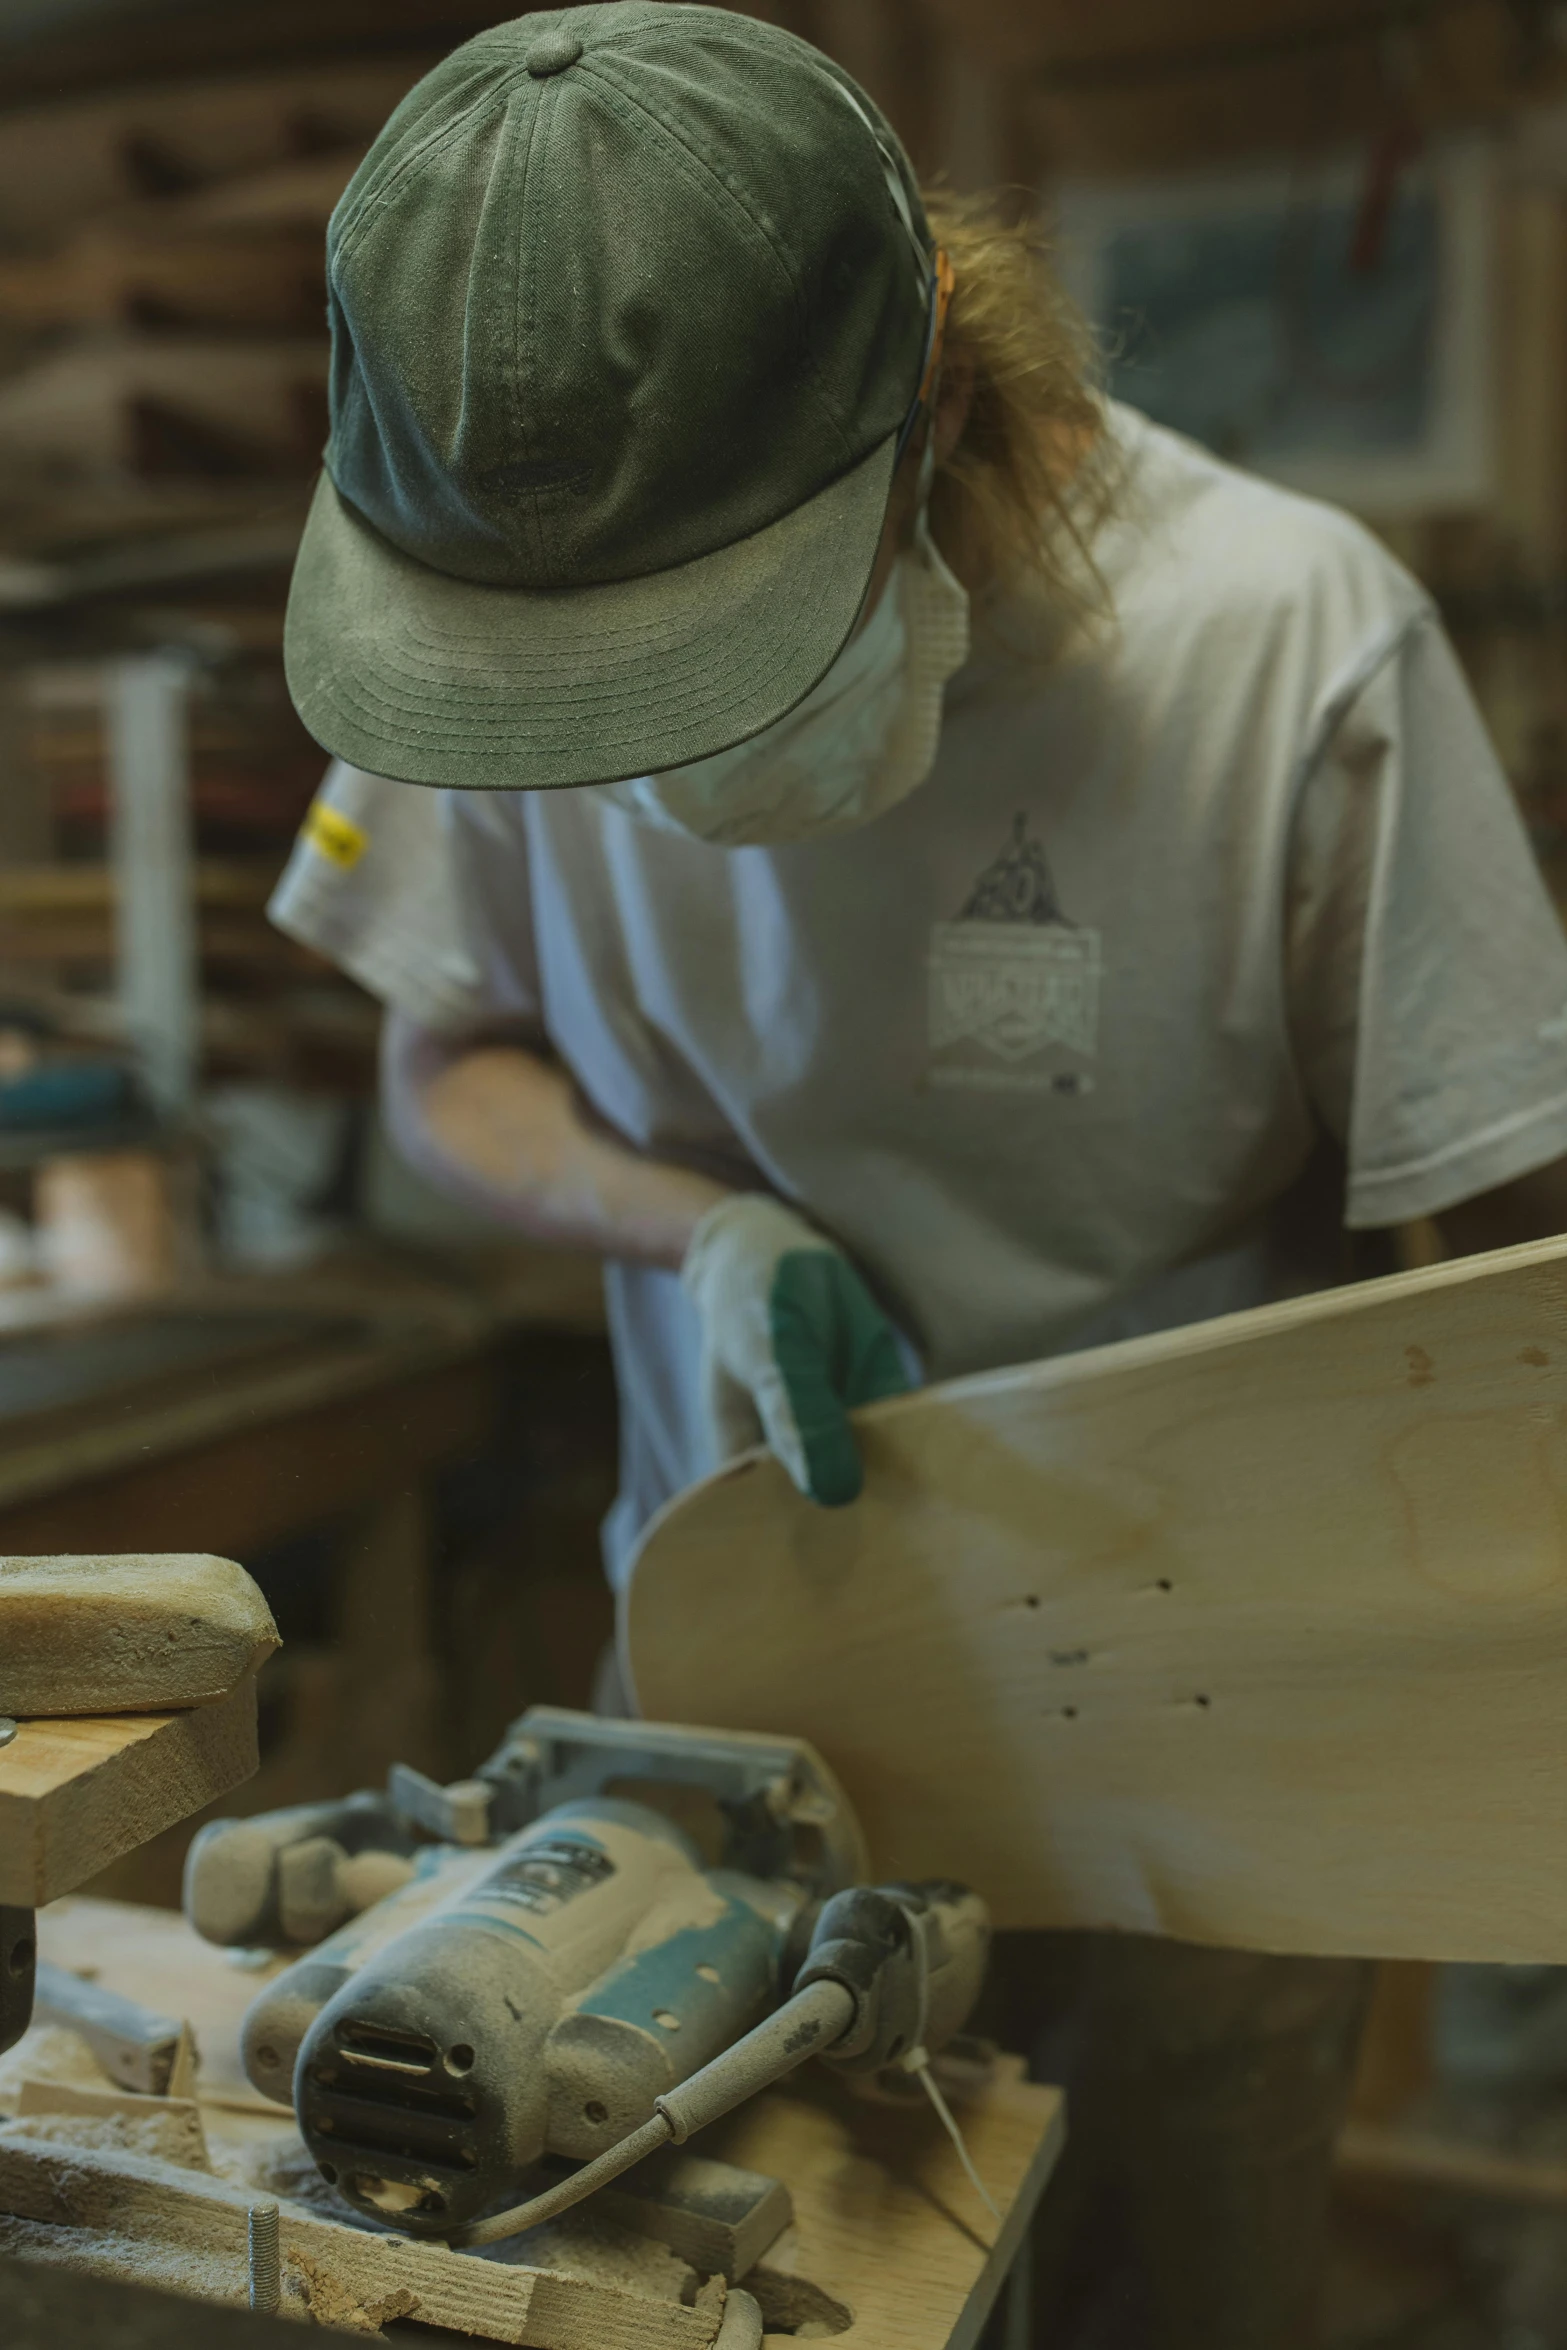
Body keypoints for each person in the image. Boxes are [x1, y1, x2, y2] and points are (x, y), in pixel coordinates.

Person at [270, 8, 1567, 2341]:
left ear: (937, 382)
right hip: (741, 1732)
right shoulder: (519, 589)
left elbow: (1511, 1273)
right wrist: (709, 1222)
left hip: (1207, 1786)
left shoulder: (1285, 646)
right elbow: (442, 1055)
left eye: (711, 654)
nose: (638, 761)